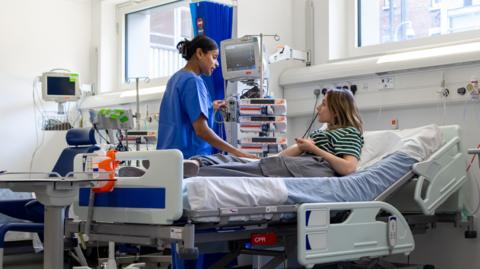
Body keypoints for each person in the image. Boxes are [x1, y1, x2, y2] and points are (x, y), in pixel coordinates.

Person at [190, 88, 364, 177]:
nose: (319, 107)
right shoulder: (325, 132)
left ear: (337, 110)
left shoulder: (350, 133)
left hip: (316, 167)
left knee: (255, 169)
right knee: (251, 163)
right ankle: (200, 163)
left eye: (324, 104)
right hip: (301, 162)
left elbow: (348, 168)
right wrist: (270, 158)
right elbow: (293, 152)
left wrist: (313, 149)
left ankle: (204, 171)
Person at [156, 35, 256, 160]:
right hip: (189, 160)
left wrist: (210, 107)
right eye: (214, 57)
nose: (217, 63)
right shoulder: (194, 81)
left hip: (167, 158)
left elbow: (181, 115)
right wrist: (239, 153)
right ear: (199, 53)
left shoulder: (176, 78)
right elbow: (201, 130)